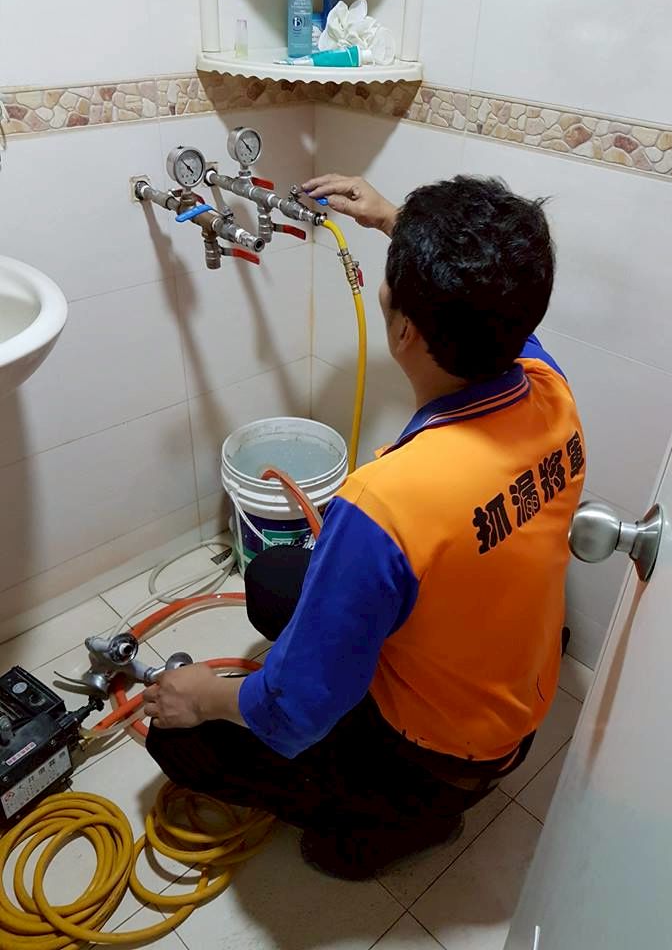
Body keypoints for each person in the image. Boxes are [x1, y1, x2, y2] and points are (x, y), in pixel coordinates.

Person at [143, 173, 586, 880]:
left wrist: (200, 695)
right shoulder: (548, 388)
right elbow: (496, 302)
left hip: (440, 759)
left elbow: (292, 712)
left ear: (404, 329)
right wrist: (395, 221)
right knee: (276, 578)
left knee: (176, 741)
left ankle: (398, 822)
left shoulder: (386, 502)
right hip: (518, 698)